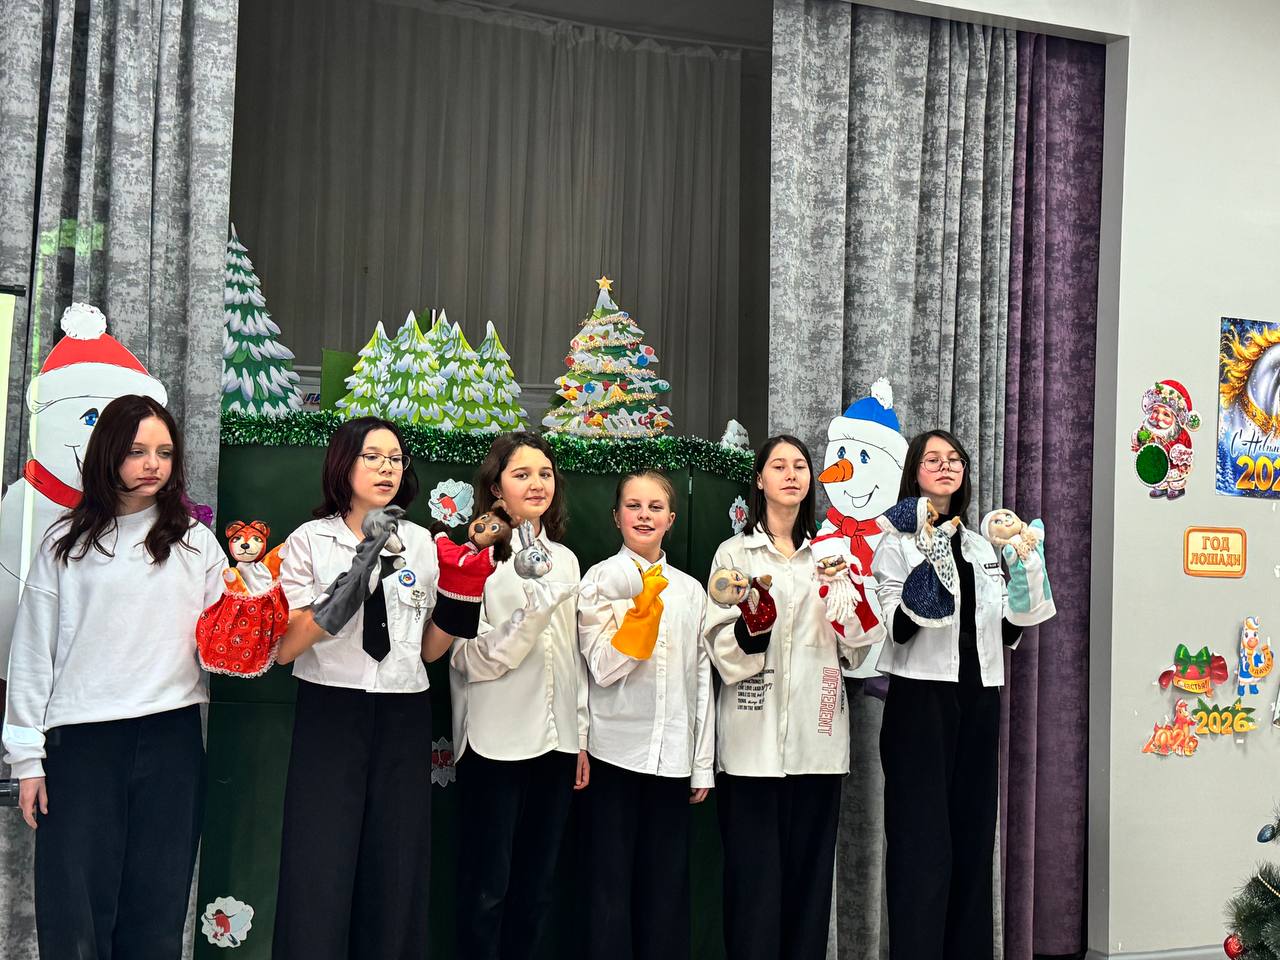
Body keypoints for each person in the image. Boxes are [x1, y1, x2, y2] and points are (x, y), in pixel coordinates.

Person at [3, 394, 226, 958]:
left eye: (164, 453)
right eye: (136, 451)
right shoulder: (65, 543)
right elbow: (31, 656)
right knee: (73, 913)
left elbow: (224, 638)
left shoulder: (196, 542)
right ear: (107, 454)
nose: (152, 464)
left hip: (172, 739)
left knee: (157, 912)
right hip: (81, 743)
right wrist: (27, 760)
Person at [272, 416, 451, 960]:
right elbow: (286, 648)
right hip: (331, 710)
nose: (386, 468)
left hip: (404, 712)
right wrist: (349, 584)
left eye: (395, 459)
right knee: (318, 865)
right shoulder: (309, 540)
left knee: (396, 866)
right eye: (372, 456)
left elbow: (428, 651)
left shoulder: (420, 543)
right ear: (343, 464)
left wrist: (463, 602)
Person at [704, 435, 882, 960]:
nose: (789, 474)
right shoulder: (734, 553)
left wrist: (844, 593)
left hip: (817, 744)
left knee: (809, 892)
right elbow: (718, 645)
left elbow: (858, 647)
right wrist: (753, 629)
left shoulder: (834, 552)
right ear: (759, 479)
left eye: (800, 466)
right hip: (750, 748)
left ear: (811, 479)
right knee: (752, 892)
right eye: (777, 466)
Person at [871, 429, 1023, 960]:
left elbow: (1006, 630)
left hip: (980, 699)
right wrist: (928, 553)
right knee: (921, 845)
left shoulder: (982, 546)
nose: (945, 466)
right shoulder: (893, 543)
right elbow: (898, 628)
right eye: (932, 459)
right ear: (914, 472)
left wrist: (1027, 578)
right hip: (920, 702)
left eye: (954, 459)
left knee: (974, 840)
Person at [449, 431, 587, 960]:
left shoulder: (566, 560)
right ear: (495, 488)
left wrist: (580, 736)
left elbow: (572, 658)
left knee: (537, 889)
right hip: (495, 743)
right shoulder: (475, 559)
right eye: (522, 474)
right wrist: (528, 621)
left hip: (557, 744)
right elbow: (466, 657)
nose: (536, 484)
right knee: (487, 889)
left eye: (545, 473)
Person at [577, 469, 714, 960]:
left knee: (666, 892)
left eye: (655, 507)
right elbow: (597, 669)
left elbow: (701, 680)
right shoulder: (598, 581)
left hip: (672, 760)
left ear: (671, 519)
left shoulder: (691, 591)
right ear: (616, 517)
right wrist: (638, 624)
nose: (644, 515)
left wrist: (701, 764)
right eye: (633, 506)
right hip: (613, 754)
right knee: (608, 890)